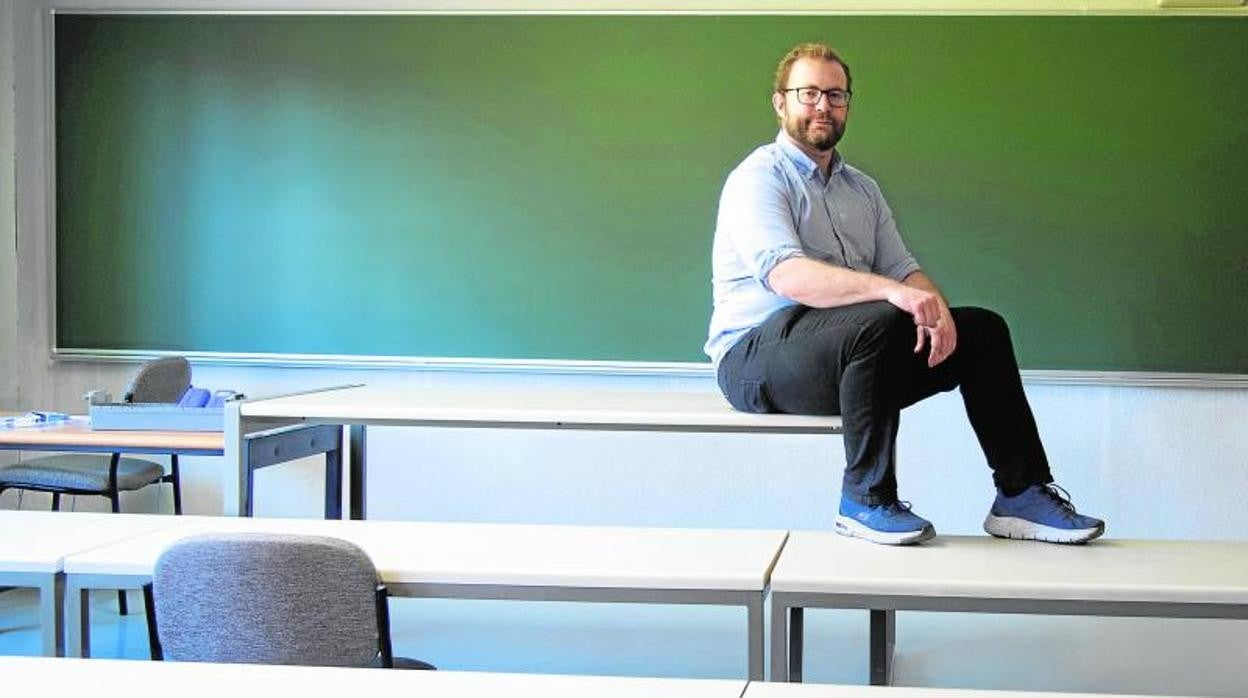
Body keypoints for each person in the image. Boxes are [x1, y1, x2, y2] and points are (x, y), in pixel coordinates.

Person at [706, 42, 1104, 546]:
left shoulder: (863, 190)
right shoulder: (759, 178)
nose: (823, 105)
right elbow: (788, 276)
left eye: (835, 94)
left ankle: (1019, 496)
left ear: (848, 103)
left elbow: (903, 270)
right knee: (881, 317)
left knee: (981, 330)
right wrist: (895, 296)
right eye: (808, 93)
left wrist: (935, 313)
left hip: (847, 352)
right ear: (780, 103)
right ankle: (865, 499)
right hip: (755, 358)